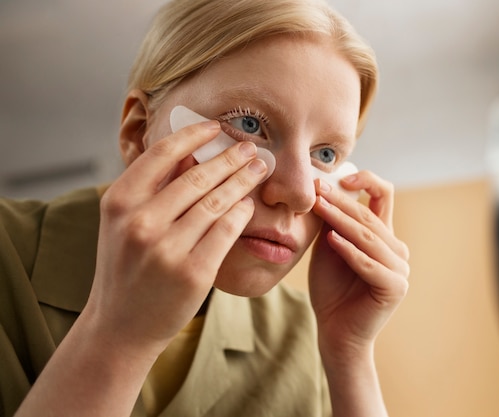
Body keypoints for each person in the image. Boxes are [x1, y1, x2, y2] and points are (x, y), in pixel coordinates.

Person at [0, 0, 410, 415]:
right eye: (249, 124)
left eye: (324, 154)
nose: (300, 194)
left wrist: (350, 357)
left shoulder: (302, 332)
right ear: (139, 131)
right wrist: (120, 336)